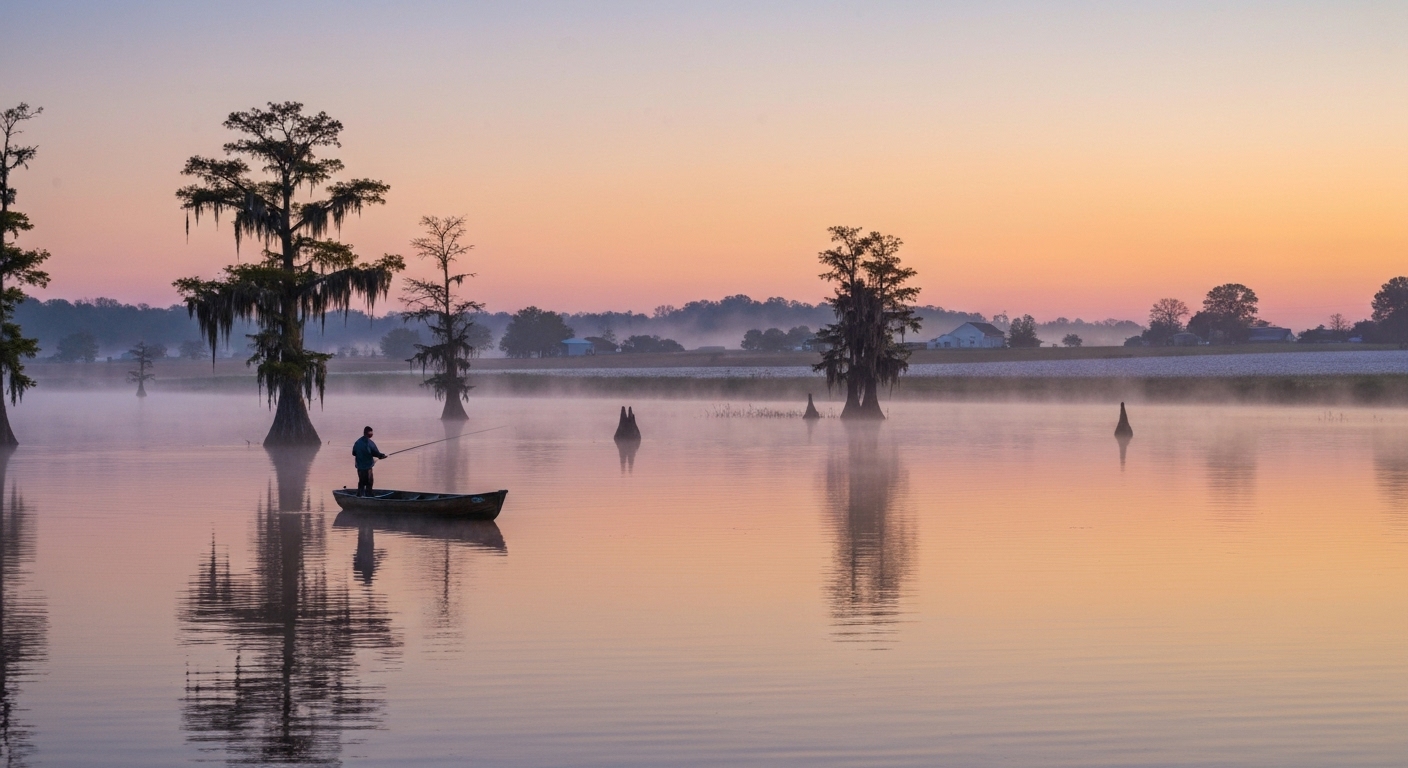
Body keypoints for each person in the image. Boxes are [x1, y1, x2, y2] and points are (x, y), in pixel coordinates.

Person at [352, 426, 388, 497]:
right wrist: (381, 456)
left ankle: (359, 495)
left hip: (359, 467)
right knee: (369, 481)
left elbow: (353, 453)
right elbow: (376, 453)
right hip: (367, 467)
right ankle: (369, 495)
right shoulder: (369, 443)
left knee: (361, 481)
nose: (372, 434)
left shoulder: (357, 442)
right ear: (368, 433)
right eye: (371, 432)